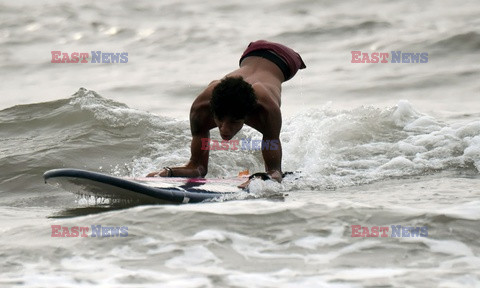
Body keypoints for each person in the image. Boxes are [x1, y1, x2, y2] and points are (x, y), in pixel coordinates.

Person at [147, 40, 306, 188]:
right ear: (212, 111)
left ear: (248, 115)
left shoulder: (267, 109)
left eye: (234, 122)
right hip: (252, 51)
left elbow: (275, 171)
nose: (224, 129)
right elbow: (198, 168)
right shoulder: (200, 108)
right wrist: (168, 172)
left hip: (286, 59)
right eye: (220, 120)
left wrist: (258, 179)